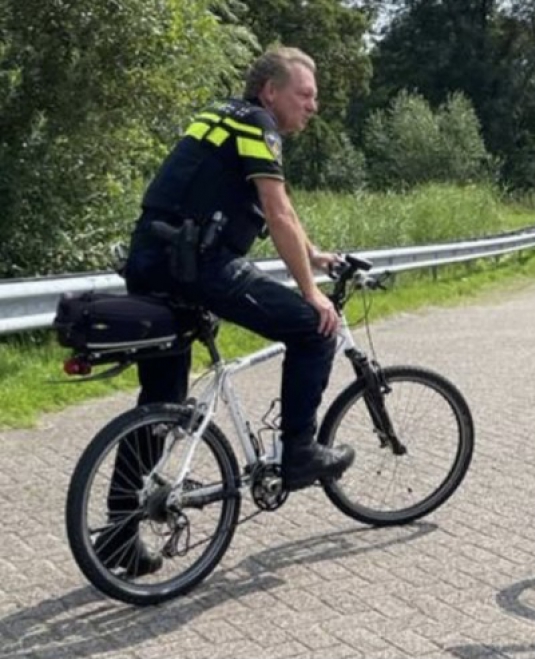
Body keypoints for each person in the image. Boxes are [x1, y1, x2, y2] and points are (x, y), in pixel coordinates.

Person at [97, 47, 355, 577]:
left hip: (154, 260)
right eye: (305, 95)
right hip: (199, 264)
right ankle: (301, 451)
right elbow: (277, 210)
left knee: (161, 401)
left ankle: (118, 537)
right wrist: (313, 292)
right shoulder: (259, 125)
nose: (314, 106)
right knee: (312, 330)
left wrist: (312, 255)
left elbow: (274, 207)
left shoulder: (222, 117)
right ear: (270, 91)